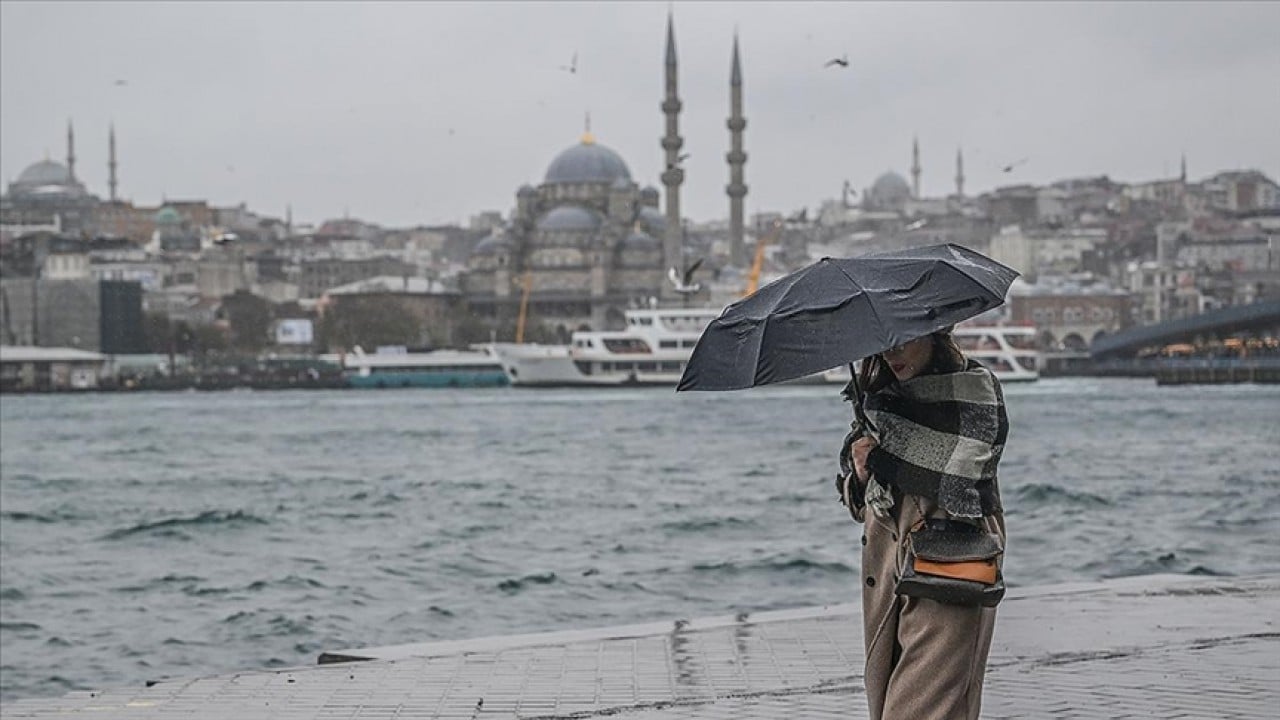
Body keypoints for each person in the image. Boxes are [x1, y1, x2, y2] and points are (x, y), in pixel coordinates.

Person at [837, 330, 1009, 720]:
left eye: (902, 341)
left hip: (947, 561)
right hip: (888, 574)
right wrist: (862, 472)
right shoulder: (877, 407)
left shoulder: (972, 394)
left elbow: (967, 482)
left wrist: (887, 458)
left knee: (922, 707)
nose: (890, 353)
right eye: (881, 344)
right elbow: (861, 503)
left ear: (935, 336)